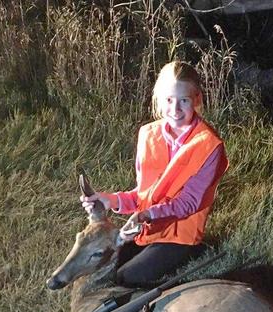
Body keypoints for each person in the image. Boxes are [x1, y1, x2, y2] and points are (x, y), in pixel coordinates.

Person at [81, 60, 229, 287]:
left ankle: (194, 250)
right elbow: (143, 194)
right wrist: (110, 200)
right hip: (148, 227)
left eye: (184, 100)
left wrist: (146, 215)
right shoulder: (148, 134)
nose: (175, 109)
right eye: (169, 100)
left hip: (179, 235)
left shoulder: (209, 146)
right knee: (105, 265)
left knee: (127, 276)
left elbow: (188, 204)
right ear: (159, 98)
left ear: (197, 99)